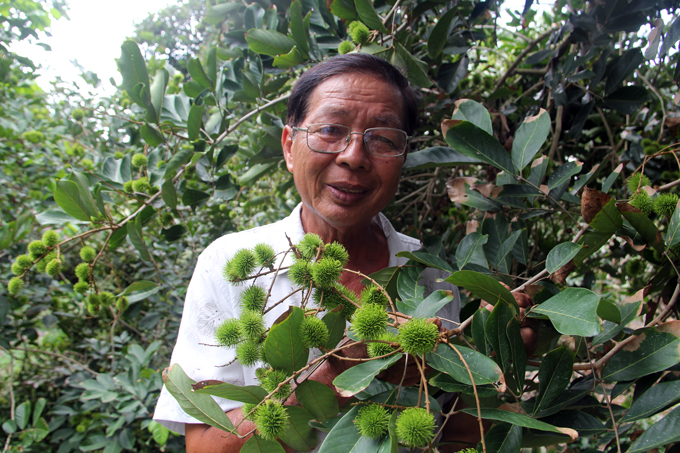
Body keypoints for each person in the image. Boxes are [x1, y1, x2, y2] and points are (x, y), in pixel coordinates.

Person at [153, 53, 468, 452]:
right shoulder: (227, 264)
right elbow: (204, 445)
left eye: (383, 139)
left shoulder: (429, 274)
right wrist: (343, 376)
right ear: (289, 147)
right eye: (330, 130)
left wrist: (499, 352)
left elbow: (457, 432)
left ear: (402, 158)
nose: (354, 156)